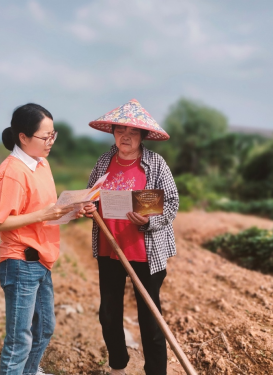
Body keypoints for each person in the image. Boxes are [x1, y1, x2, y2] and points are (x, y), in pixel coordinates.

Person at [0, 103, 93, 375]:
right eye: (45, 137)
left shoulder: (41, 164)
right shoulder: (12, 172)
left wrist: (71, 209)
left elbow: (47, 211)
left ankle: (29, 371)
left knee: (45, 328)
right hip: (21, 261)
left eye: (53, 135)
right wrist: (42, 214)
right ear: (23, 137)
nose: (50, 142)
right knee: (19, 338)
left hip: (42, 260)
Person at [85, 99, 179, 375]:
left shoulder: (155, 164)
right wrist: (88, 207)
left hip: (144, 251)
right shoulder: (104, 161)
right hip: (109, 248)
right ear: (113, 132)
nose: (125, 136)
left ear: (142, 136)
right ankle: (118, 367)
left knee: (150, 322)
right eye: (120, 130)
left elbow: (171, 202)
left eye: (133, 132)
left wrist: (150, 220)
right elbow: (90, 194)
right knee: (109, 315)